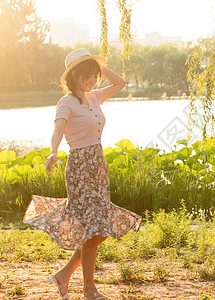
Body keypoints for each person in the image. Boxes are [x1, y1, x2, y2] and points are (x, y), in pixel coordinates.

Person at [23, 48, 142, 300]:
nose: (91, 81)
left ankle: (64, 275)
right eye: (86, 76)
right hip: (79, 167)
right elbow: (57, 130)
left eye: (93, 76)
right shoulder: (66, 102)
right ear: (73, 76)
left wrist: (99, 64)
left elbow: (120, 83)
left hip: (98, 166)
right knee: (93, 229)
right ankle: (89, 289)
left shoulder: (95, 97)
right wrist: (53, 151)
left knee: (98, 230)